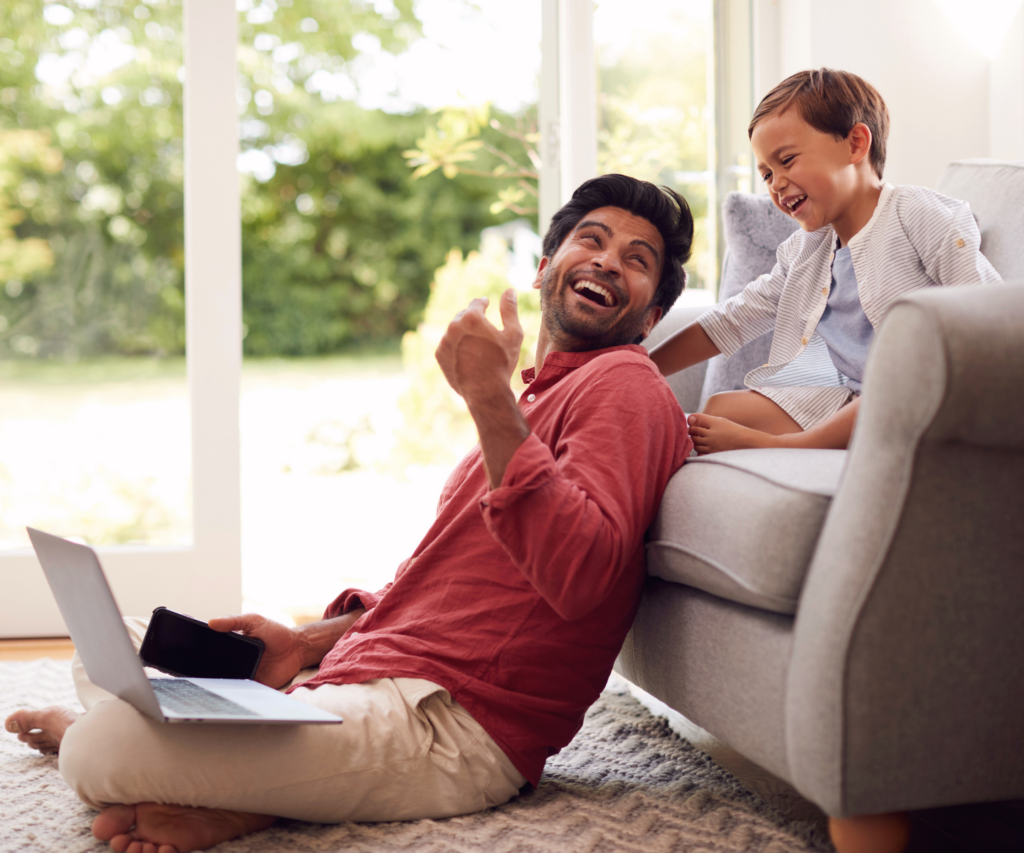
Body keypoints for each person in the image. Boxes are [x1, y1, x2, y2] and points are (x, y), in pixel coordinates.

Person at [5, 174, 695, 853]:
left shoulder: (626, 386)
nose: (608, 260)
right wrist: (304, 644)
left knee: (101, 743)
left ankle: (199, 779)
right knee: (117, 643)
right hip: (370, 675)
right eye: (592, 240)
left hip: (453, 726)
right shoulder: (536, 403)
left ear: (650, 316)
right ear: (547, 269)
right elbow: (438, 594)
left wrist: (489, 399)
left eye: (638, 260)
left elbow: (582, 576)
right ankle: (238, 784)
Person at [650, 68, 1001, 455]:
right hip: (842, 398)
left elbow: (990, 311)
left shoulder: (916, 213)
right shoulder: (806, 249)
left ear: (855, 144)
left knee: (896, 378)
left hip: (911, 392)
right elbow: (734, 319)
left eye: (787, 160)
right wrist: (645, 368)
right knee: (718, 412)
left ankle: (790, 445)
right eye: (766, 173)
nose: (776, 184)